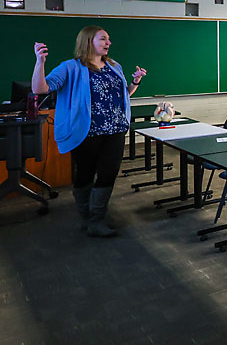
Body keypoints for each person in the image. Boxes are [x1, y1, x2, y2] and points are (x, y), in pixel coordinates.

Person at [30, 27, 147, 237]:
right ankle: (86, 216)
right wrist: (40, 62)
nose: (108, 43)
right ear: (88, 41)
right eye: (103, 39)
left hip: (116, 130)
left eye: (108, 39)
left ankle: (96, 219)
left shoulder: (114, 66)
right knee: (85, 173)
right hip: (86, 132)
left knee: (109, 172)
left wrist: (135, 82)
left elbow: (123, 95)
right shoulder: (70, 67)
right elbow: (41, 89)